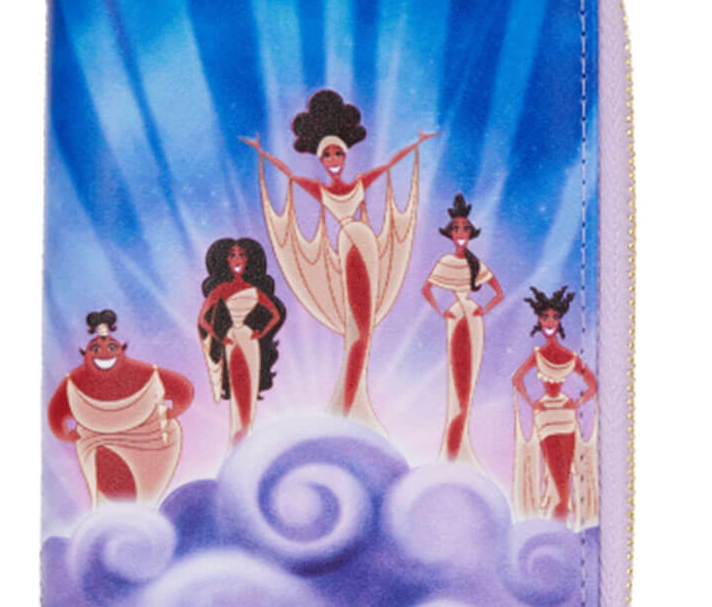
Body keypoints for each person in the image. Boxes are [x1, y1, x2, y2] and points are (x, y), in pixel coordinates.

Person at [242, 89, 435, 430]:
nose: (333, 159)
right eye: (327, 155)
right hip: (349, 245)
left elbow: (390, 165)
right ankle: (348, 404)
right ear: (320, 159)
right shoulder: (320, 190)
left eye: (338, 153)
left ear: (345, 155)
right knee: (357, 330)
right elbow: (288, 175)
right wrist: (261, 152)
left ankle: (351, 402)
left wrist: (416, 144)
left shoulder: (359, 182)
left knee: (363, 330)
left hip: (366, 243)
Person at [47, 310, 194, 506]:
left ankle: (140, 513)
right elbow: (56, 415)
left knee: (143, 498)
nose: (104, 352)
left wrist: (173, 411)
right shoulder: (73, 382)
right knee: (110, 492)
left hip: (149, 443)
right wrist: (66, 434)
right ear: (86, 353)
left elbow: (182, 390)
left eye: (111, 347)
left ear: (121, 349)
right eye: (95, 348)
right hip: (97, 444)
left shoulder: (146, 373)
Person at [421, 193, 503, 468]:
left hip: (472, 318)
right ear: (450, 232)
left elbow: (498, 293)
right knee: (456, 381)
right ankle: (452, 450)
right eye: (456, 229)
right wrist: (442, 311)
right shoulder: (446, 261)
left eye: (465, 229)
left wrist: (483, 310)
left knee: (468, 380)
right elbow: (426, 289)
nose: (460, 234)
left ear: (470, 233)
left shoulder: (474, 263)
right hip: (456, 318)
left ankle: (457, 448)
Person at [511, 287, 598, 528]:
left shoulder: (568, 356)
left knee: (563, 476)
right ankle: (561, 524)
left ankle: (561, 525)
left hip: (562, 416)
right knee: (559, 477)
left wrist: (576, 403)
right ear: (539, 320)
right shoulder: (541, 354)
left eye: (555, 317)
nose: (550, 321)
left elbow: (593, 385)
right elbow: (516, 379)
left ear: (559, 321)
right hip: (549, 417)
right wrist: (532, 403)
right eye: (545, 316)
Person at [197, 238, 286, 448]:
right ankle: (237, 436)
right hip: (233, 340)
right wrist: (220, 337)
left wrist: (261, 332)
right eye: (232, 255)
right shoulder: (221, 290)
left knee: (251, 385)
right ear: (224, 260)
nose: (237, 260)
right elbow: (202, 320)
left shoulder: (254, 289)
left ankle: (246, 434)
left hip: (249, 339)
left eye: (242, 255)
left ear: (249, 259)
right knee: (238, 386)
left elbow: (275, 314)